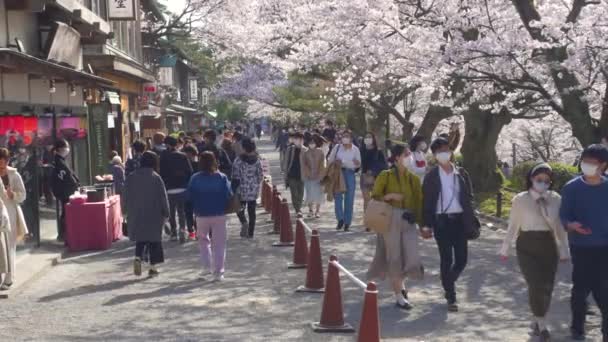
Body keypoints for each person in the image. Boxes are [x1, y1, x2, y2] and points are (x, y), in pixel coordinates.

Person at [499, 163, 570, 341]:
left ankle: (538, 318)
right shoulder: (520, 199)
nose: (543, 183)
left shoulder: (556, 198)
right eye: (539, 179)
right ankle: (542, 324)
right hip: (526, 245)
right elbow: (513, 225)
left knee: (546, 287)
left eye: (547, 180)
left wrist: (564, 250)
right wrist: (505, 248)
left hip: (548, 245)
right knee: (536, 285)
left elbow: (559, 227)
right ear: (531, 178)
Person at [421, 137, 475, 312]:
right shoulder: (431, 176)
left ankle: (447, 280)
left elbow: (469, 197)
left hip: (459, 220)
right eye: (440, 151)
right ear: (435, 154)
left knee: (462, 259)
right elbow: (427, 203)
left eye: (447, 149)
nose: (444, 153)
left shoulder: (462, 173)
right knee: (447, 258)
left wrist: (471, 219)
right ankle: (451, 295)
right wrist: (426, 224)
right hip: (441, 221)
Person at [559, 144, 608, 341]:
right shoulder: (572, 188)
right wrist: (572, 225)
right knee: (580, 289)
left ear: (604, 165)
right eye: (584, 161)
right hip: (581, 246)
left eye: (592, 162)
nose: (587, 165)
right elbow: (563, 216)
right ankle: (577, 329)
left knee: (603, 290)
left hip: (605, 247)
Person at [366, 144, 424, 310]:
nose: (409, 157)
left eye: (409, 154)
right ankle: (399, 294)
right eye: (406, 154)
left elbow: (419, 201)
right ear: (397, 157)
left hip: (408, 220)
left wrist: (422, 223)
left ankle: (401, 285)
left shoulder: (413, 178)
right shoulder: (386, 175)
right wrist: (389, 196)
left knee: (410, 255)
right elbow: (375, 196)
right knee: (394, 256)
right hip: (390, 219)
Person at [187, 151, 233, 282]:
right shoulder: (221, 177)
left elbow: (189, 196)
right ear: (214, 161)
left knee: (203, 242)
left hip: (201, 214)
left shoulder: (195, 178)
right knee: (219, 244)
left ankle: (206, 267)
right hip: (219, 213)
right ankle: (218, 273)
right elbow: (229, 194)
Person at [125, 151, 169, 278]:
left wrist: (125, 210)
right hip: (154, 213)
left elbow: (125, 195)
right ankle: (152, 267)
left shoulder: (131, 176)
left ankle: (138, 257)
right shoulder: (156, 177)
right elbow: (163, 196)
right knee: (154, 241)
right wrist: (166, 212)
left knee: (141, 238)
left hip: (136, 212)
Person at [0, 148, 28, 290]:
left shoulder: (14, 175)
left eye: (3, 165)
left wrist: (13, 195)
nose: (1, 167)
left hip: (10, 212)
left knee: (10, 245)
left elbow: (23, 195)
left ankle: (9, 278)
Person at [159, 136, 193, 243]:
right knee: (181, 211)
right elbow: (189, 172)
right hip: (182, 187)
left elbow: (161, 172)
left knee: (171, 212)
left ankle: (174, 233)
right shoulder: (183, 156)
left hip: (169, 188)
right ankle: (182, 230)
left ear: (168, 144)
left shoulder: (163, 156)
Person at [328, 130, 361, 231]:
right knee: (338, 197)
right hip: (338, 173)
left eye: (347, 136)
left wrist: (345, 162)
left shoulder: (355, 149)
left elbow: (358, 164)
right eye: (343, 136)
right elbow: (330, 160)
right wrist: (338, 162)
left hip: (350, 174)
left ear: (351, 138)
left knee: (349, 198)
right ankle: (340, 219)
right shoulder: (337, 147)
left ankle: (347, 222)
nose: (344, 138)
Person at [232, 138, 264, 238]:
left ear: (243, 148)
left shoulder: (238, 160)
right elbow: (260, 175)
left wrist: (233, 190)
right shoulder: (257, 160)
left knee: (238, 208)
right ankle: (251, 233)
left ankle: (244, 222)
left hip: (241, 189)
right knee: (252, 211)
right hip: (253, 190)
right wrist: (255, 184)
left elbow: (235, 176)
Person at [51, 139, 79, 242]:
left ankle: (63, 234)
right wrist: (76, 185)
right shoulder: (59, 162)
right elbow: (68, 176)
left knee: (64, 212)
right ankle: (63, 234)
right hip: (65, 191)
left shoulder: (60, 161)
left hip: (64, 191)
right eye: (65, 148)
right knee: (65, 213)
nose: (67, 150)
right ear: (60, 149)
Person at [361, 132, 388, 222]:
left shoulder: (378, 151)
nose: (367, 138)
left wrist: (373, 170)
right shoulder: (361, 150)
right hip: (364, 177)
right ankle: (367, 220)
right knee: (366, 199)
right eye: (366, 137)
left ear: (373, 139)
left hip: (376, 177)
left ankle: (375, 218)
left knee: (376, 199)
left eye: (369, 137)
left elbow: (384, 165)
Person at [301, 134, 327, 218]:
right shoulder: (305, 152)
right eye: (310, 142)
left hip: (318, 177)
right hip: (308, 177)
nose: (311, 144)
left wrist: (321, 175)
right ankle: (310, 210)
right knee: (309, 193)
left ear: (316, 143)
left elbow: (323, 164)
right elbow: (303, 164)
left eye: (313, 142)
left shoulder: (320, 152)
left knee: (319, 194)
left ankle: (317, 211)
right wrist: (307, 173)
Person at [283, 132, 306, 217]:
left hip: (302, 175)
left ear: (302, 140)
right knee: (294, 193)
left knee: (301, 193)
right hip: (292, 175)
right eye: (296, 139)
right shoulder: (290, 149)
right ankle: (298, 210)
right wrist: (285, 174)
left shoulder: (305, 150)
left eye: (300, 139)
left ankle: (299, 207)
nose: (298, 141)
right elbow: (286, 162)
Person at [182, 145, 199, 240]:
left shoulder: (197, 164)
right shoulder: (198, 164)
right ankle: (192, 231)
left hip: (191, 191)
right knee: (189, 212)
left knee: (192, 212)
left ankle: (194, 231)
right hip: (190, 191)